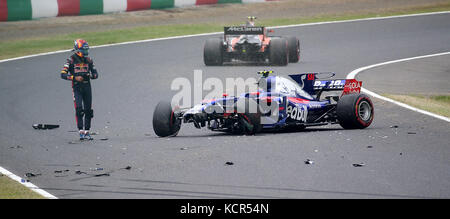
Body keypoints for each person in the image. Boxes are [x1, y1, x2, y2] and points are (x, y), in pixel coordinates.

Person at [60, 39, 99, 140]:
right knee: (79, 109)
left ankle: (87, 131)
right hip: (76, 87)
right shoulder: (71, 60)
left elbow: (96, 74)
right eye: (83, 50)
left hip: (87, 87)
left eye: (87, 50)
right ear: (78, 50)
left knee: (88, 110)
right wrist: (74, 77)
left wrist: (89, 75)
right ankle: (80, 130)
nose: (85, 52)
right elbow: (63, 74)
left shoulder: (89, 60)